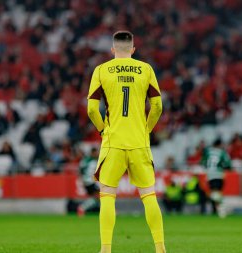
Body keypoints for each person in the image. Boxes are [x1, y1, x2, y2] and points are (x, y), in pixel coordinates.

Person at [87, 31, 165, 253]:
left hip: (113, 143)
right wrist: (146, 129)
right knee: (149, 196)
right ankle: (160, 248)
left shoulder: (101, 70)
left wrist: (103, 130)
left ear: (113, 50)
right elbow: (158, 106)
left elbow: (92, 109)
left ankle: (105, 249)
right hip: (139, 142)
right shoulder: (146, 69)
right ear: (133, 49)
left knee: (107, 196)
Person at [201, 138, 231, 217]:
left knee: (214, 192)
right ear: (219, 144)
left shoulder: (208, 151)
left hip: (210, 175)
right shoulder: (222, 152)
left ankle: (215, 209)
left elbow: (203, 162)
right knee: (217, 192)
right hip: (218, 174)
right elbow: (227, 163)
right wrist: (223, 167)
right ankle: (221, 209)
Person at [77, 147, 100, 216]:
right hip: (90, 181)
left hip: (86, 181)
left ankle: (82, 209)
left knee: (96, 197)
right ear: (93, 153)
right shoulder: (93, 161)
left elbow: (80, 170)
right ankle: (82, 208)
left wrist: (82, 179)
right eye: (96, 152)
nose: (97, 154)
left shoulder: (85, 160)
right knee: (98, 196)